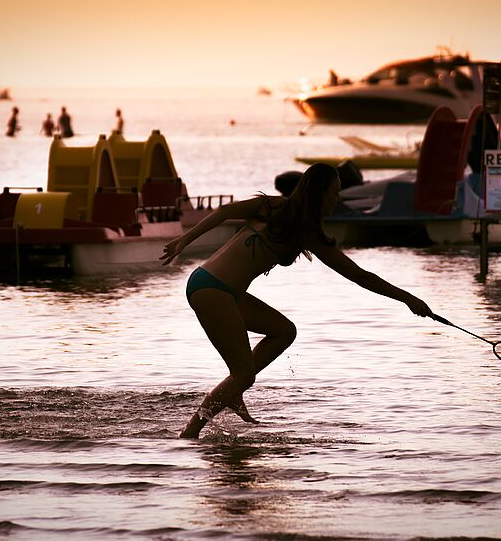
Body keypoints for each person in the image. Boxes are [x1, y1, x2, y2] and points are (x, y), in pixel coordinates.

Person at [160, 163, 433, 439]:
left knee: (283, 331)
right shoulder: (273, 207)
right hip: (212, 289)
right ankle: (190, 432)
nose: (337, 198)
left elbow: (359, 275)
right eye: (334, 192)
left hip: (223, 290)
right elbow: (223, 212)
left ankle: (232, 392)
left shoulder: (305, 229)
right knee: (243, 374)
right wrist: (184, 241)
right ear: (319, 193)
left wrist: (406, 299)